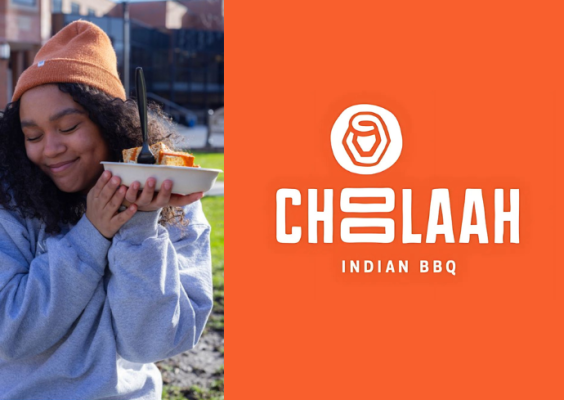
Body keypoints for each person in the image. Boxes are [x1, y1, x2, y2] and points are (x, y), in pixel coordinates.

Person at [0, 21, 213, 399]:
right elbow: (9, 333)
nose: (49, 149)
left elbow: (153, 344)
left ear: (110, 125)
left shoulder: (171, 198)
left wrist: (140, 228)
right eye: (32, 136)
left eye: (67, 127)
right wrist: (90, 235)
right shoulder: (10, 205)